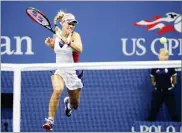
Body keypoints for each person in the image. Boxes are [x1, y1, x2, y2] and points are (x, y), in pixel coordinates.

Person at [42, 10, 84, 131]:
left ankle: (69, 104)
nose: (71, 26)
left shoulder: (75, 36)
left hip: (73, 73)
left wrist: (68, 41)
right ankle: (50, 120)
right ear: (62, 23)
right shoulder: (56, 35)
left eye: (73, 24)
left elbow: (79, 49)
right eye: (69, 23)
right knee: (58, 89)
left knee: (75, 104)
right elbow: (59, 51)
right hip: (59, 70)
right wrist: (50, 44)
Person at [147, 48, 180, 122]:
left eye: (166, 55)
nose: (165, 57)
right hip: (158, 93)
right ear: (159, 56)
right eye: (163, 55)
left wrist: (170, 87)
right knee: (153, 112)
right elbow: (153, 79)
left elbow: (174, 80)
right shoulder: (155, 67)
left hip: (169, 93)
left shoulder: (171, 67)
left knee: (174, 113)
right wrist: (156, 86)